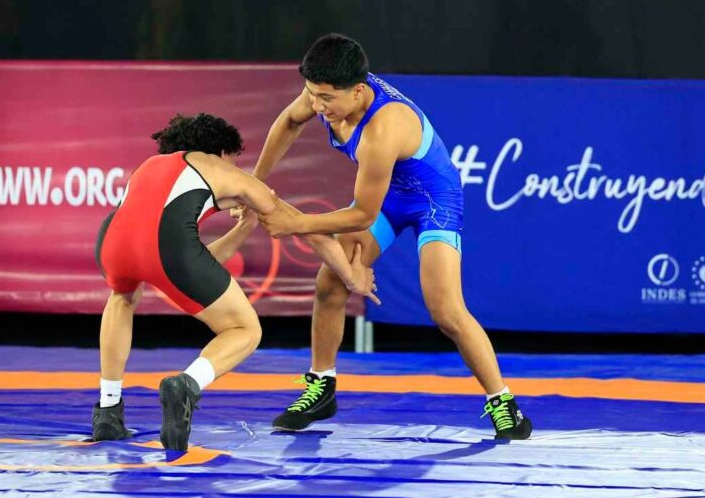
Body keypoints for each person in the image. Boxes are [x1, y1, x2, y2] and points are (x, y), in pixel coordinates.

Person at [254, 34, 532, 440]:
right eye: (313, 95)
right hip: (389, 194)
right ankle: (322, 385)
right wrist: (255, 185)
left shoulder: (383, 129)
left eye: (326, 99)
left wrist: (293, 223)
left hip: (433, 200)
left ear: (359, 91)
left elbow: (362, 214)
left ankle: (502, 402)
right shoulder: (327, 89)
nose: (318, 107)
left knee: (446, 311)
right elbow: (289, 121)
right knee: (330, 282)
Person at [92, 112, 378, 451]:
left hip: (111, 242)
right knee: (245, 330)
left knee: (122, 297)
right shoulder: (228, 173)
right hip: (165, 247)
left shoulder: (150, 166)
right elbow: (301, 228)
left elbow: (192, 261)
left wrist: (243, 227)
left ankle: (108, 411)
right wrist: (351, 275)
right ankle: (187, 384)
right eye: (235, 159)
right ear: (222, 152)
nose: (237, 166)